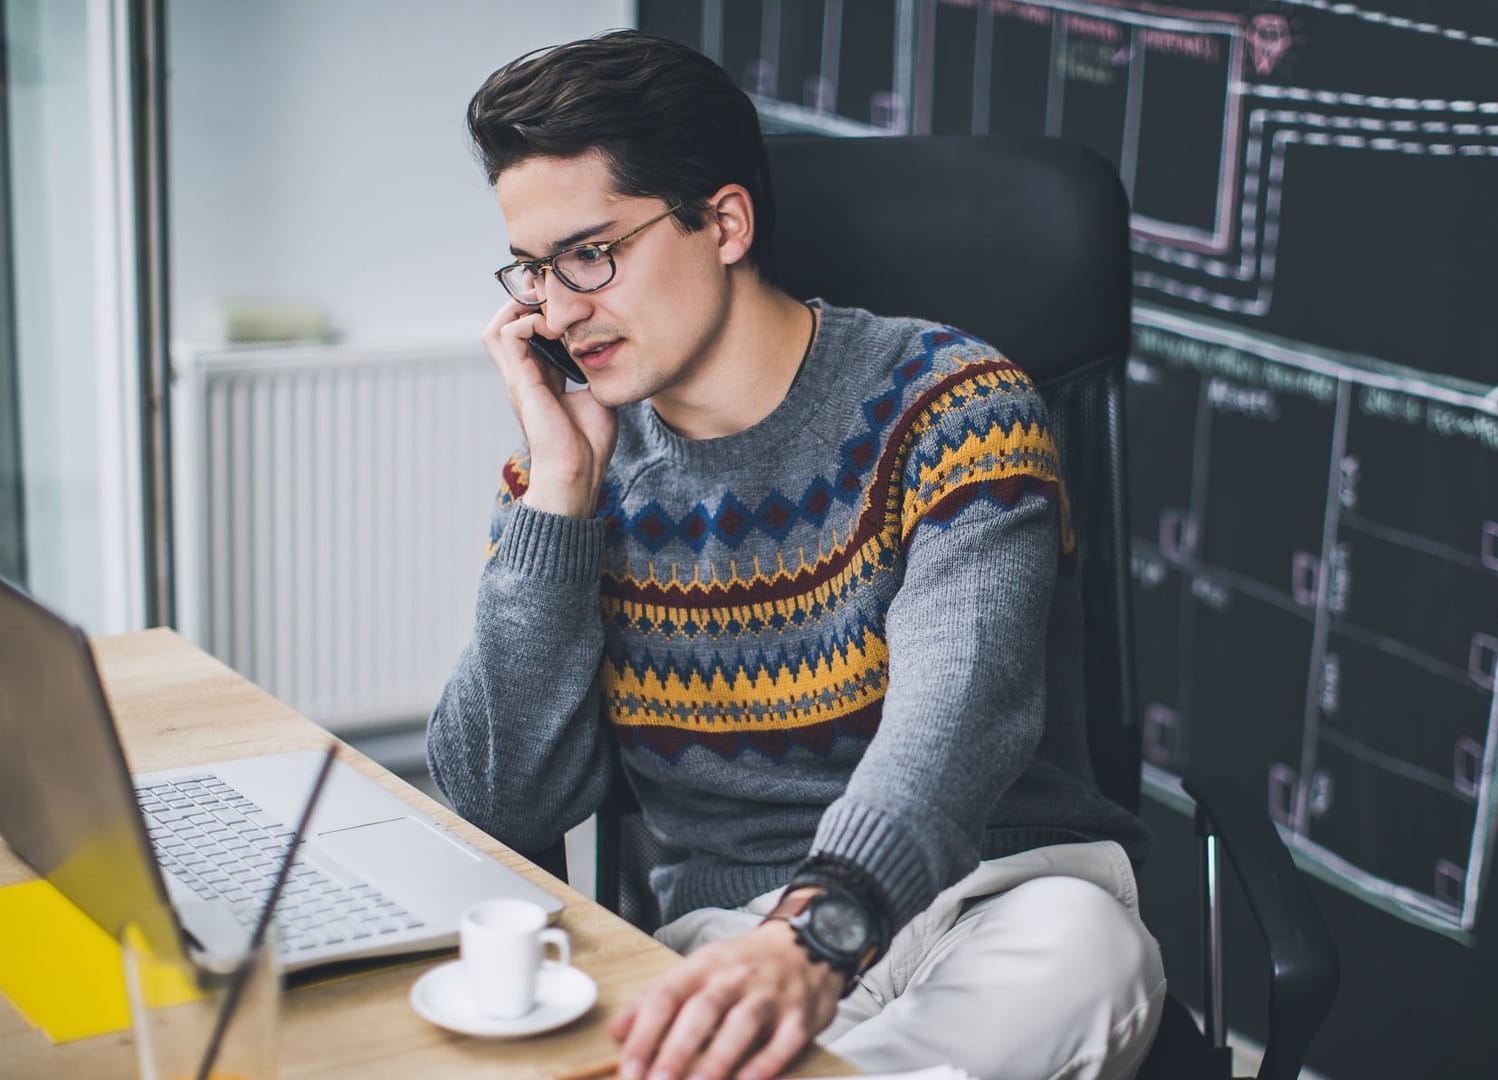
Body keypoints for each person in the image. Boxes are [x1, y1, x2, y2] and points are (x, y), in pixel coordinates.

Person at [426, 30, 1163, 1080]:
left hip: (995, 901)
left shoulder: (956, 405)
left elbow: (958, 716)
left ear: (722, 223)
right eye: (535, 271)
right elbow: (505, 803)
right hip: (733, 933)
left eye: (591, 254)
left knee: (1089, 957)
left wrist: (821, 936)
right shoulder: (575, 467)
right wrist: (560, 497)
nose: (560, 307)